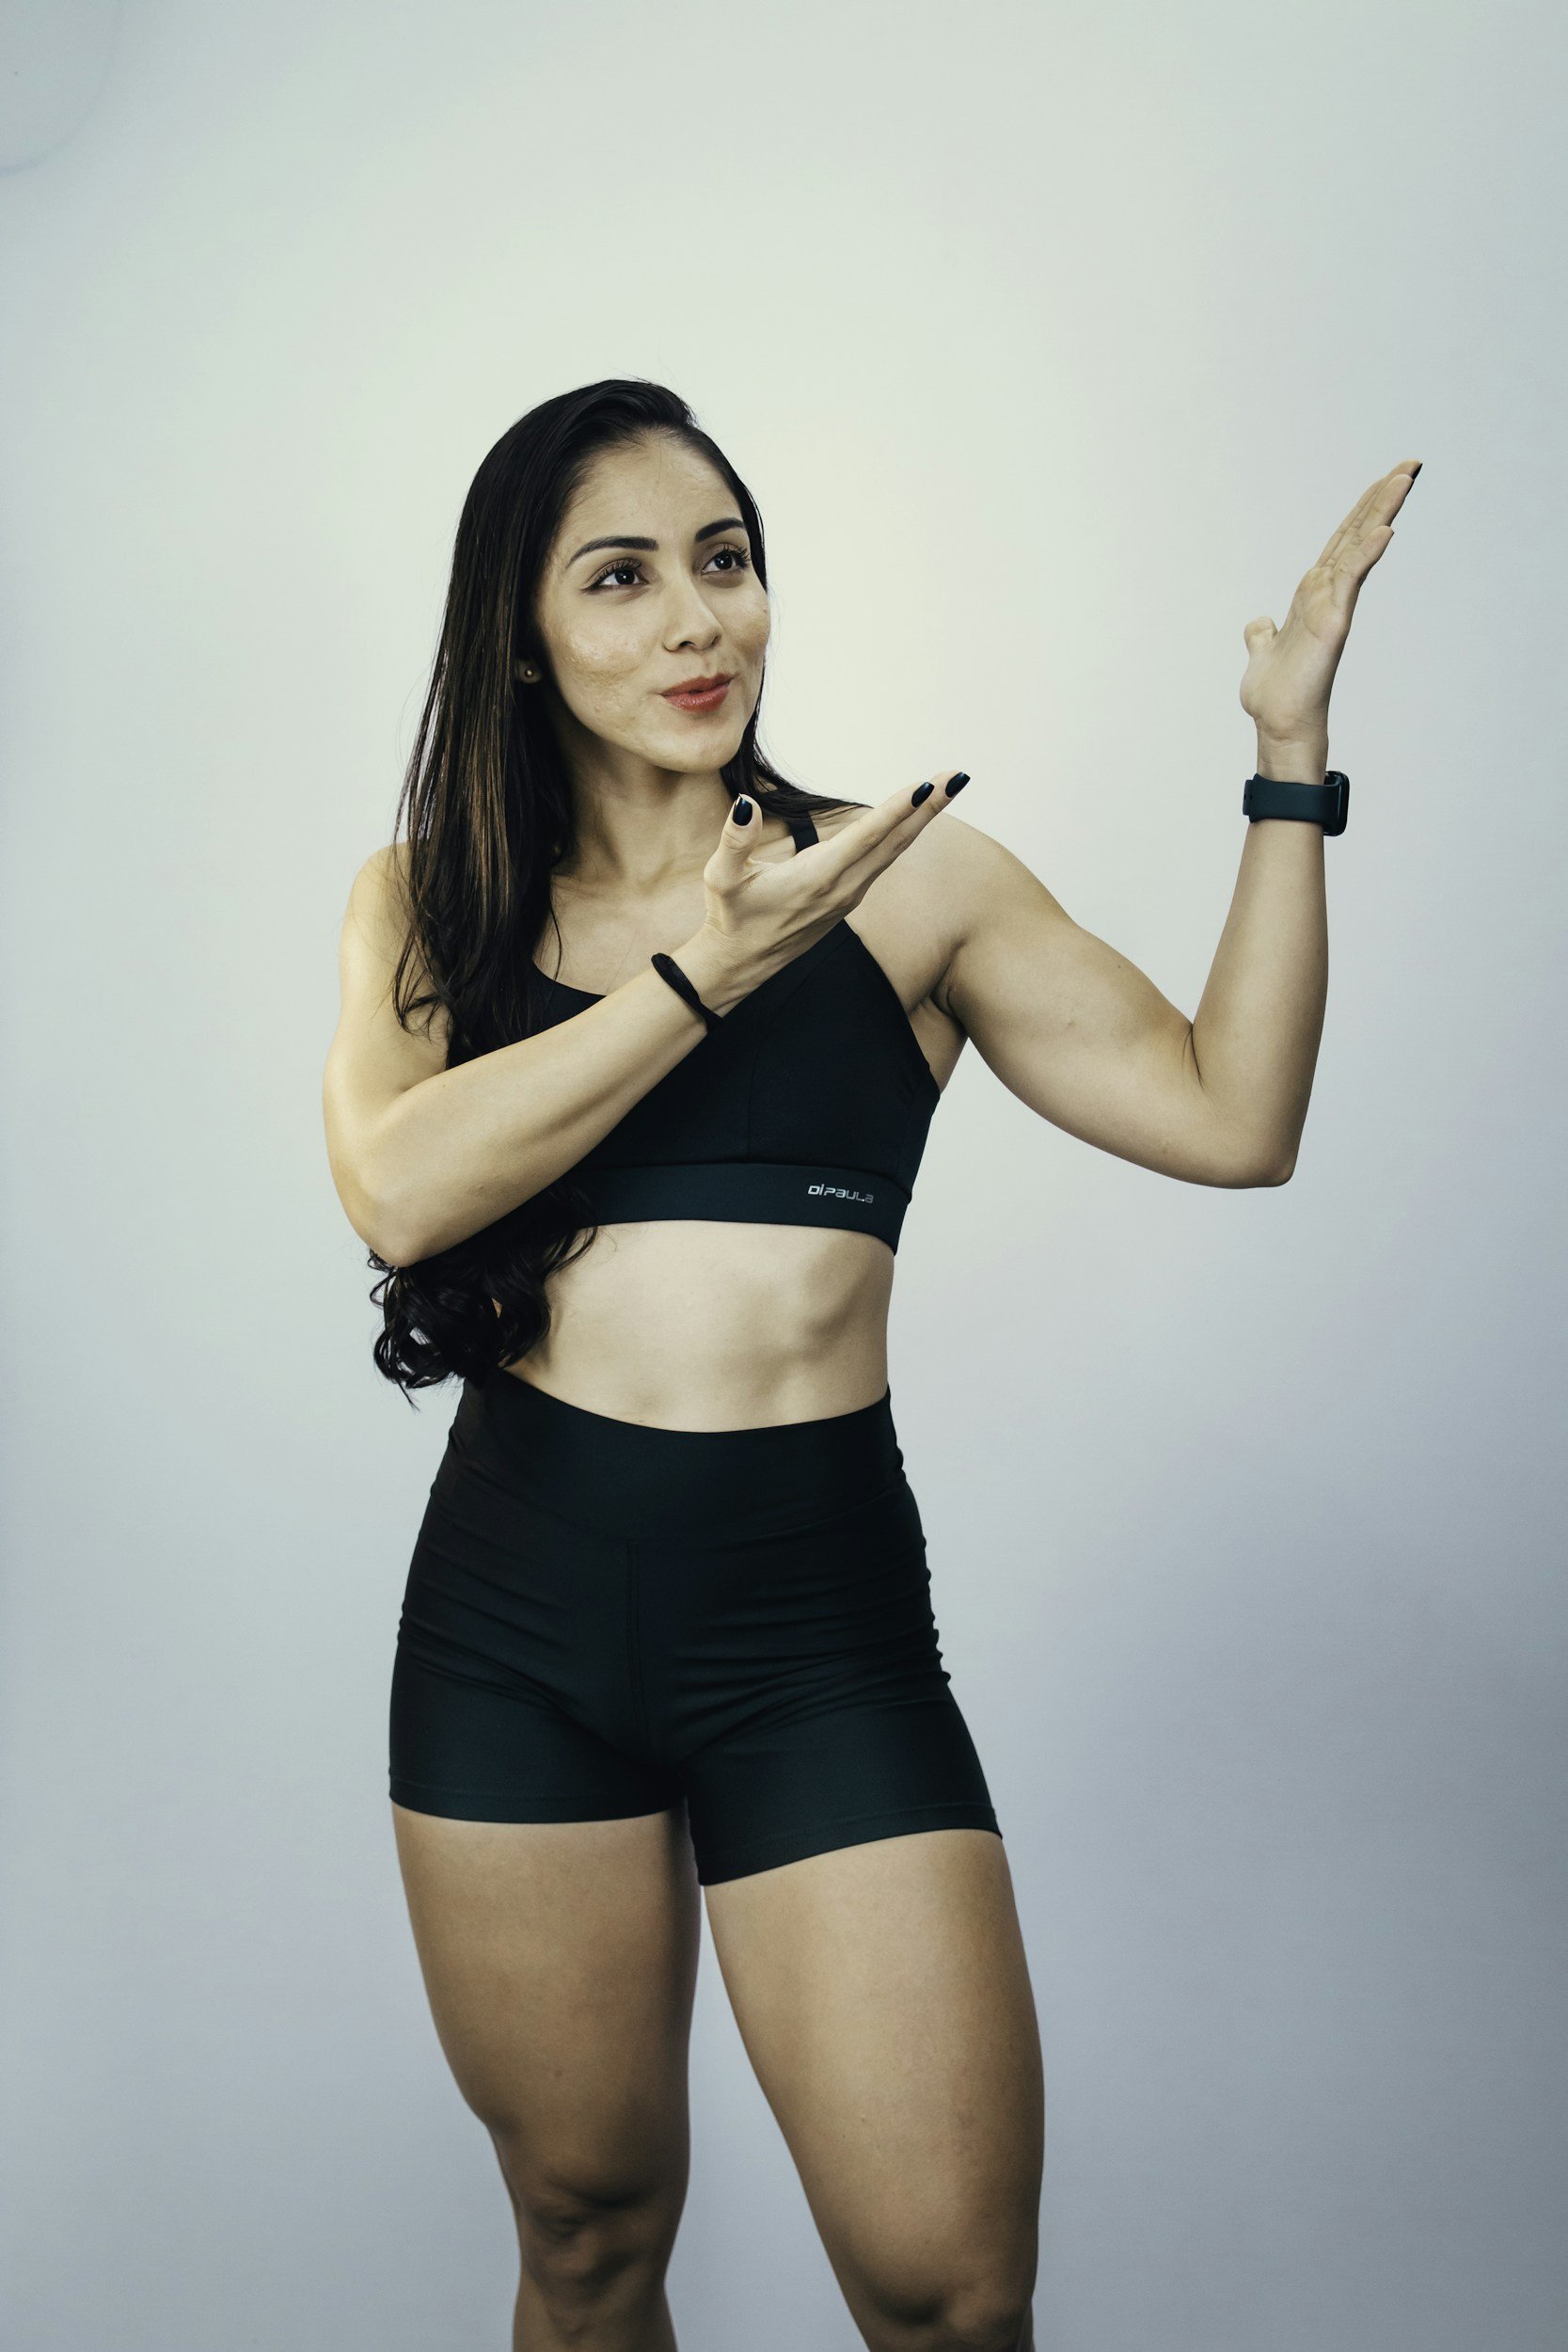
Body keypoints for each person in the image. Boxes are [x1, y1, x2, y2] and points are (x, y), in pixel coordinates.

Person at [323, 377, 1419, 2351]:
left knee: (948, 2296)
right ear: (524, 636)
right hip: (515, 1629)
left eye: (726, 561)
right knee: (584, 2229)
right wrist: (703, 976)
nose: (697, 620)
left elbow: (1235, 1114)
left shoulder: (910, 881)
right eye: (623, 577)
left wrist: (1288, 764)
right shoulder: (434, 900)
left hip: (813, 1637)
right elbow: (399, 1192)